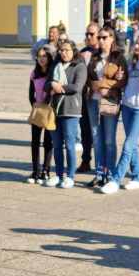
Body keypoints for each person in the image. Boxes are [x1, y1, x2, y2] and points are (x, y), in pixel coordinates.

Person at [101, 35, 139, 194]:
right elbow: (127, 82)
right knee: (131, 146)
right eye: (136, 43)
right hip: (127, 107)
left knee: (128, 144)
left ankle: (115, 179)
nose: (136, 45)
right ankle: (136, 178)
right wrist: (121, 77)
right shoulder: (132, 62)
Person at [46, 38, 85, 188]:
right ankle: (58, 174)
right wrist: (52, 84)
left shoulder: (79, 67)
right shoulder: (56, 66)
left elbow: (76, 87)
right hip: (55, 110)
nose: (63, 53)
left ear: (73, 51)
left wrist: (58, 87)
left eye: (67, 50)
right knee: (56, 145)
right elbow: (47, 84)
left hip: (71, 110)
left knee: (69, 144)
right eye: (61, 50)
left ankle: (70, 176)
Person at [90, 29, 126, 188]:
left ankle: (110, 173)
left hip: (110, 101)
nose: (101, 40)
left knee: (109, 140)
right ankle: (99, 173)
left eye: (104, 37)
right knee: (97, 139)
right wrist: (95, 85)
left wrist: (108, 86)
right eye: (99, 37)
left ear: (112, 39)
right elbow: (88, 78)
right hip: (93, 101)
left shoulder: (119, 57)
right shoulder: (94, 56)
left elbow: (124, 81)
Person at [27, 46, 54, 184]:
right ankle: (35, 170)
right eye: (39, 56)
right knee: (35, 142)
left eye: (45, 56)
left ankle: (46, 170)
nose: (42, 58)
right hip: (38, 109)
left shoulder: (53, 72)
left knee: (48, 142)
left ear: (49, 57)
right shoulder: (34, 73)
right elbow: (30, 93)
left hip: (50, 110)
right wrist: (34, 106)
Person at [78, 22, 102, 175]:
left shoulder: (104, 52)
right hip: (84, 97)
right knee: (85, 130)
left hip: (100, 98)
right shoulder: (83, 52)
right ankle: (86, 160)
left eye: (91, 34)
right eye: (86, 34)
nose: (88, 37)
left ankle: (102, 164)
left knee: (98, 132)